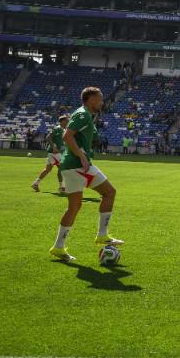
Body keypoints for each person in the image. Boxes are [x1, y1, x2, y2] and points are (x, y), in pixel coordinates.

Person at [50, 87, 121, 262]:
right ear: (90, 100)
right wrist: (82, 155)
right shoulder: (83, 114)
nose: (102, 102)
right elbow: (67, 136)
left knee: (74, 207)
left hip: (72, 166)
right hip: (78, 166)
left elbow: (80, 136)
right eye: (99, 99)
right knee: (109, 192)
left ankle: (58, 248)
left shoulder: (86, 115)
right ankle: (102, 235)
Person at [32, 114, 69, 193]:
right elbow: (48, 137)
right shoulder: (57, 128)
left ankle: (36, 183)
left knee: (48, 169)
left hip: (54, 152)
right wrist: (54, 147)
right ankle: (61, 188)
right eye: (66, 120)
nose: (68, 122)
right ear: (62, 121)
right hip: (55, 152)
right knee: (62, 168)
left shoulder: (63, 129)